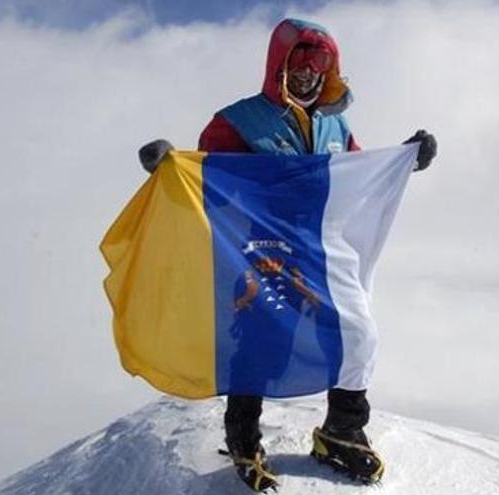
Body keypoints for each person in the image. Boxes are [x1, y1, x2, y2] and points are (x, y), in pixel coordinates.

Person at [138, 18, 437, 493]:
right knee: (258, 343)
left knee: (357, 335)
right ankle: (244, 439)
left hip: (321, 255)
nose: (309, 73)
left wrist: (404, 160)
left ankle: (341, 431)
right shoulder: (240, 121)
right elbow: (210, 179)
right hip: (260, 254)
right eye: (299, 62)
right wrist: (170, 167)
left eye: (321, 64)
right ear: (279, 65)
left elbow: (356, 178)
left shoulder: (335, 125)